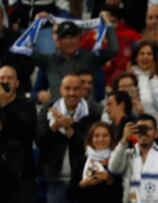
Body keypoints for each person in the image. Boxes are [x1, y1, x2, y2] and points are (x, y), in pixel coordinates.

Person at [36, 74, 101, 203]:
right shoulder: (48, 110)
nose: (72, 93)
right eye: (67, 88)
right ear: (61, 89)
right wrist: (55, 126)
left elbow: (88, 147)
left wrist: (69, 128)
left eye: (76, 89)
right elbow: (40, 142)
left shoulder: (92, 113)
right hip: (55, 180)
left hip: (83, 179)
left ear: (81, 90)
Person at [109, 113, 158, 203]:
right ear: (134, 133)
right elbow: (113, 168)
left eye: (148, 129)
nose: (144, 132)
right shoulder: (128, 156)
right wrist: (124, 139)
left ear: (156, 134)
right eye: (140, 129)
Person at [0, 65, 37, 203]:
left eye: (9, 78)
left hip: (22, 172)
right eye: (1, 78)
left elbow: (24, 129)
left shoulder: (27, 104)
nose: (5, 81)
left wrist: (4, 105)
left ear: (17, 83)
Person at [67, 121, 122, 203]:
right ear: (90, 139)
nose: (101, 139)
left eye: (105, 135)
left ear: (111, 138)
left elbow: (123, 191)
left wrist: (109, 179)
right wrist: (83, 184)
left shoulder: (118, 160)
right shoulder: (82, 161)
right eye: (96, 136)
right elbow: (70, 193)